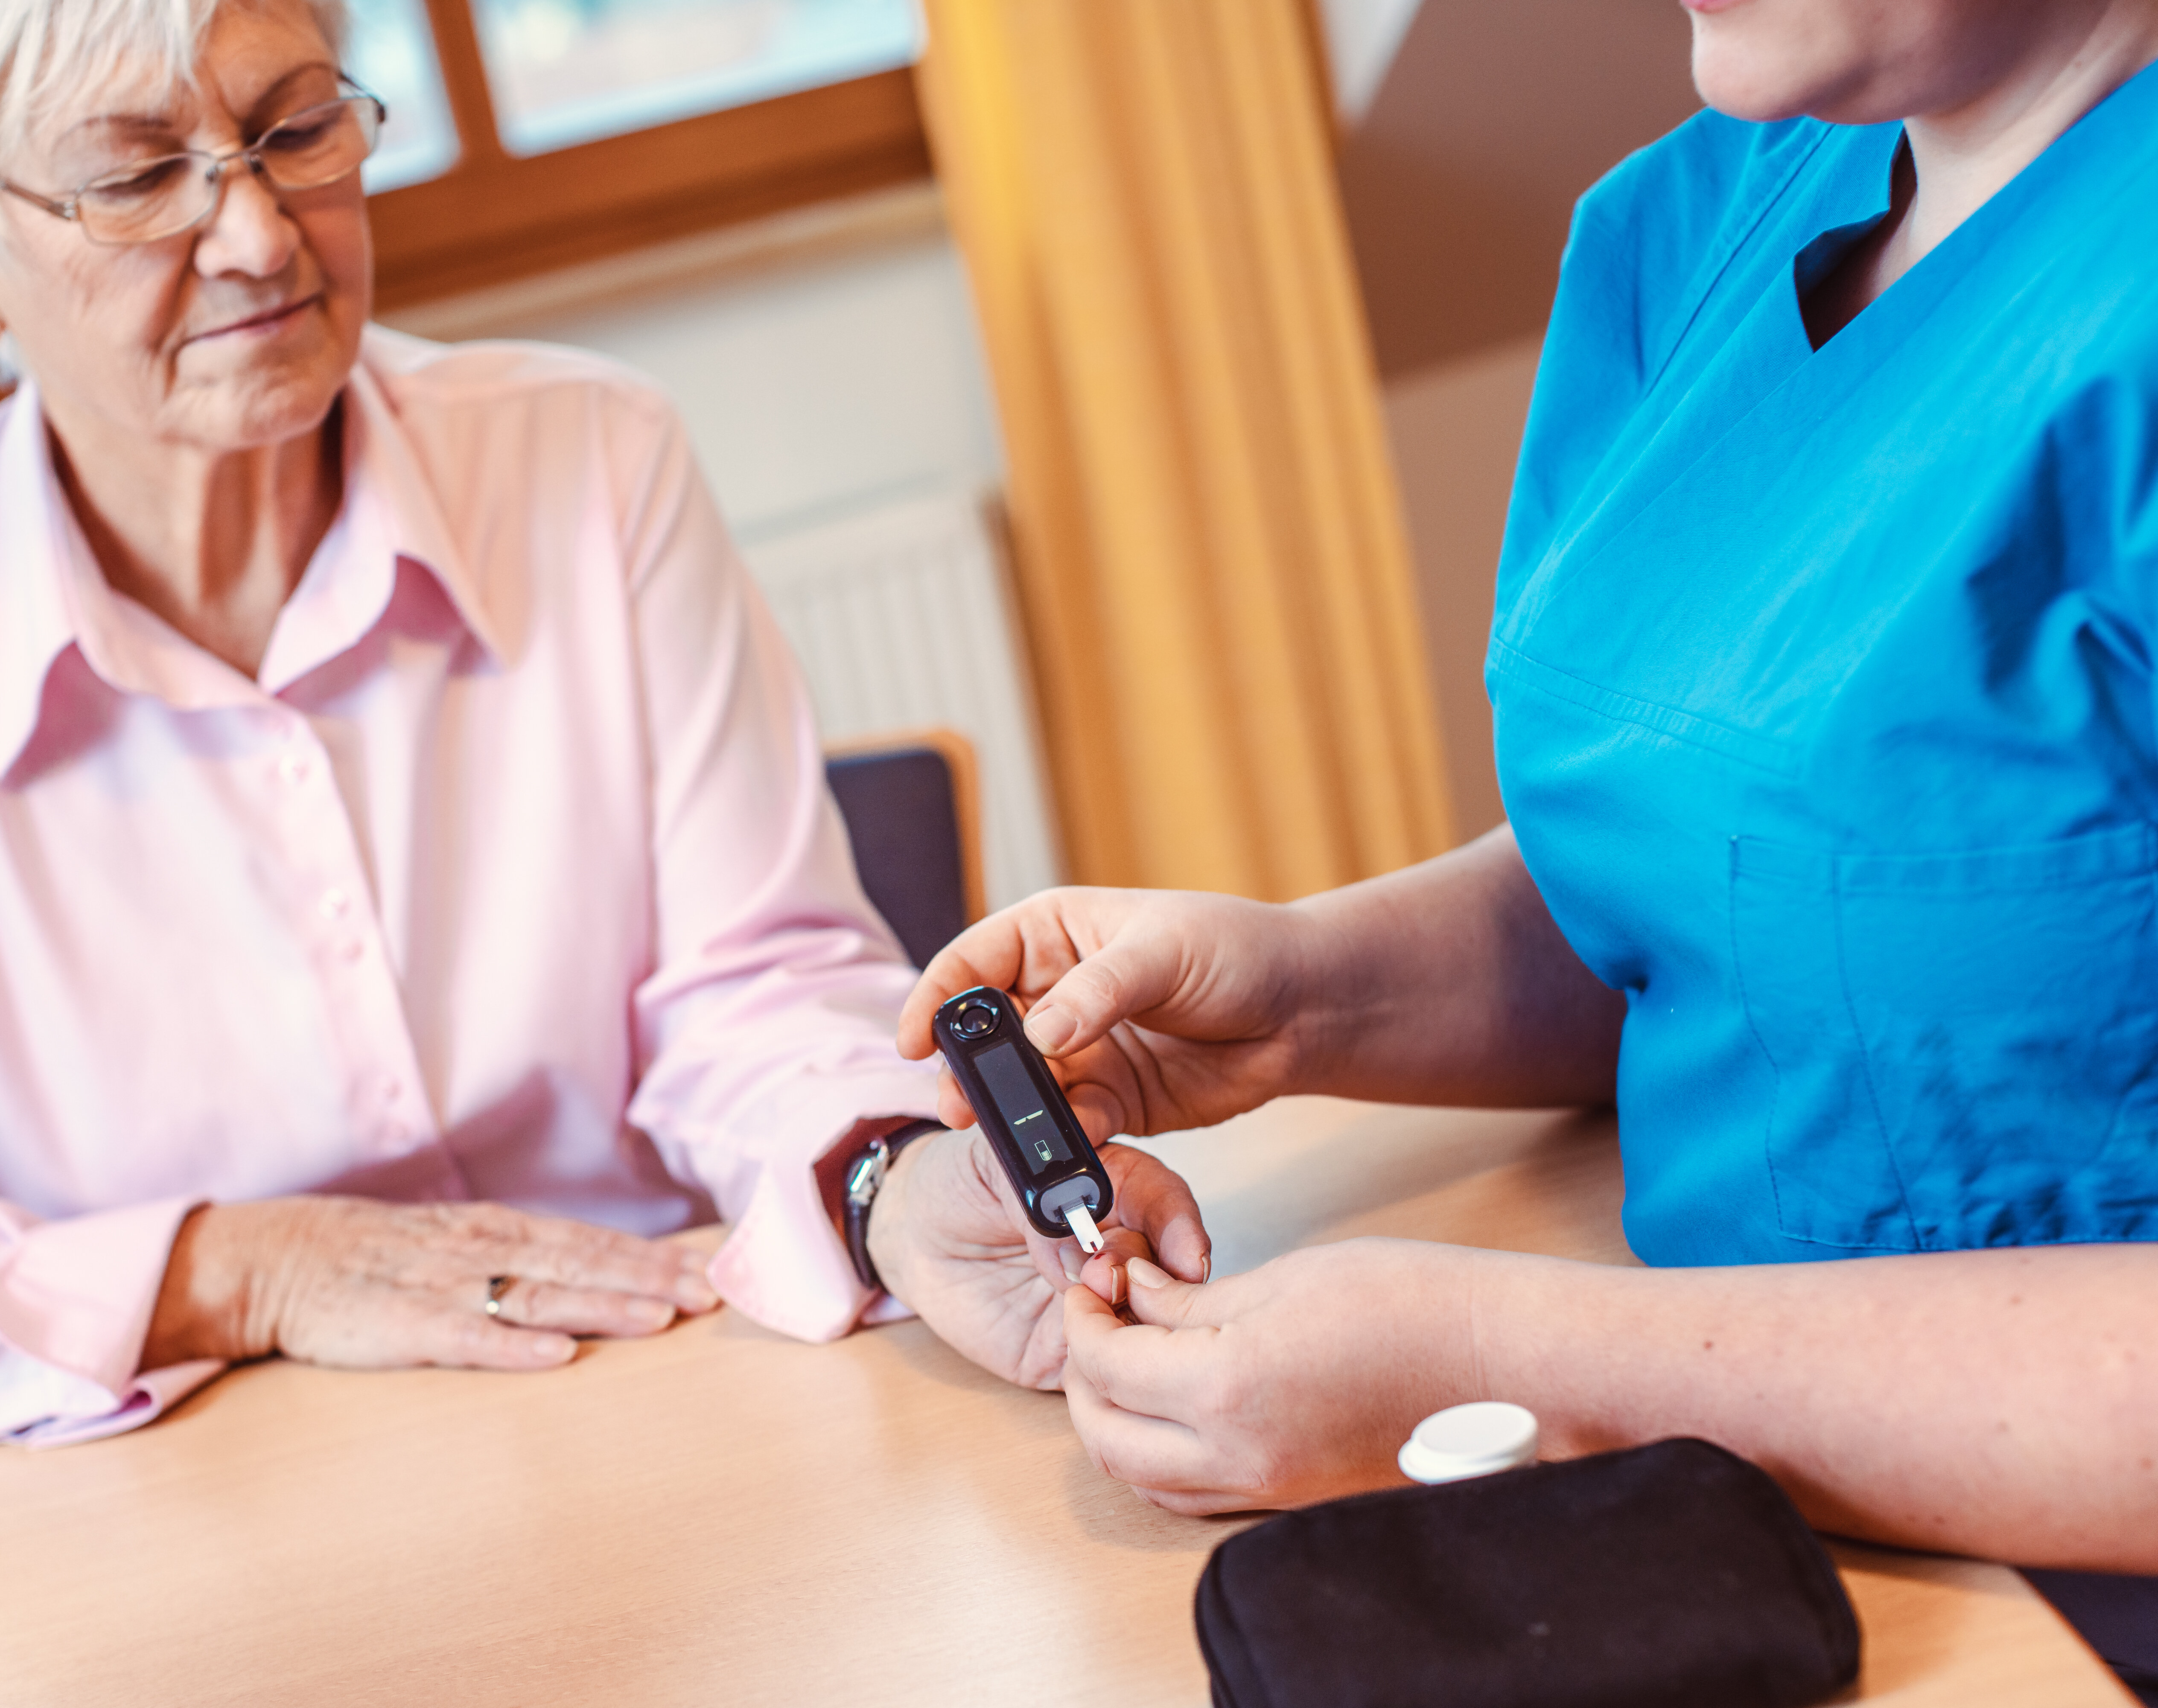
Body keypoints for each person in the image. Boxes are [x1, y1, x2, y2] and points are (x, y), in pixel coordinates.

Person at [0, 0, 1205, 1454]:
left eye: (295, 129)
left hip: (694, 1399)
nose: (252, 234)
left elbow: (754, 995)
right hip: (227, 1516)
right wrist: (235, 1269)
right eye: (136, 176)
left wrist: (892, 1186)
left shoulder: (594, 463)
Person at [895, 0, 2158, 1630]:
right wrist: (1301, 991)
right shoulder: (1692, 224)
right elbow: (1775, 889)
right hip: (1747, 1536)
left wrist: (1507, 1365)